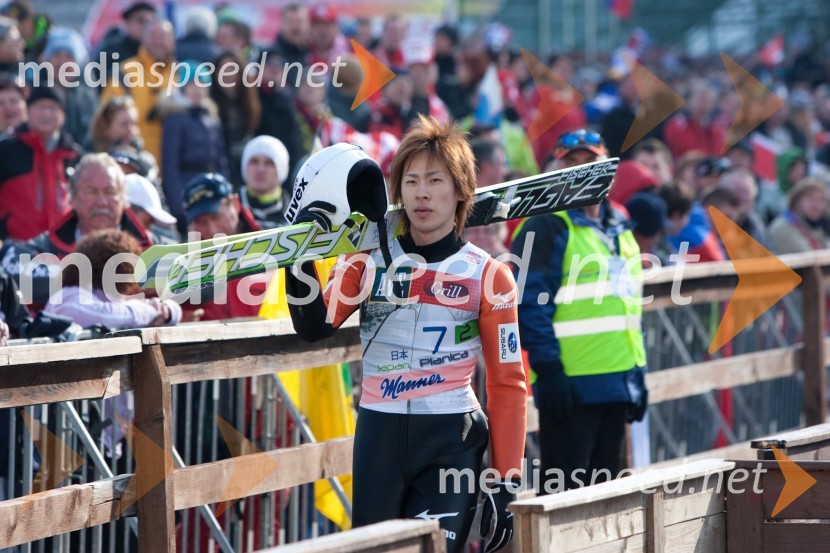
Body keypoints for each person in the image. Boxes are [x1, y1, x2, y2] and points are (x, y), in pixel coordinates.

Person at [285, 117, 527, 553]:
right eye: (411, 180)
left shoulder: (490, 276)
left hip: (450, 441)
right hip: (379, 435)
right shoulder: (369, 260)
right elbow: (313, 327)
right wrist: (297, 256)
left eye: (435, 180)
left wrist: (506, 484)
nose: (421, 192)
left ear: (460, 191)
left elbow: (508, 383)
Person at [511, 128, 648, 494]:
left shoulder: (620, 224)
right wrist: (549, 369)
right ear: (555, 171)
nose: (582, 170)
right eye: (570, 163)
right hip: (571, 387)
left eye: (591, 162)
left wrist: (637, 375)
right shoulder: (544, 225)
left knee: (606, 500)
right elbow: (529, 303)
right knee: (563, 499)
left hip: (617, 382)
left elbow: (629, 306)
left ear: (609, 169)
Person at [0, 153, 154, 306]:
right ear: (71, 197)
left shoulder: (152, 249)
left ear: (123, 199)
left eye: (109, 192)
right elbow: (11, 266)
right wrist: (89, 278)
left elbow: (175, 297)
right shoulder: (47, 246)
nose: (102, 202)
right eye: (91, 191)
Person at [0, 84, 81, 241]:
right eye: (40, 107)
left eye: (52, 108)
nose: (46, 113)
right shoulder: (7, 150)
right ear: (28, 111)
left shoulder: (74, 156)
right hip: (13, 248)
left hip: (63, 252)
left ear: (63, 115)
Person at [180, 172, 265, 321]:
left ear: (235, 204)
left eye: (216, 217)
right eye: (201, 222)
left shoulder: (277, 245)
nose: (212, 230)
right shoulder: (182, 268)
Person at [239, 135, 291, 229]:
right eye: (254, 161)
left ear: (281, 170)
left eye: (269, 163)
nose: (260, 169)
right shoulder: (229, 212)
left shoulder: (294, 215)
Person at [769, 177, 830, 254]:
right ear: (796, 201)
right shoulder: (782, 228)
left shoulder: (815, 226)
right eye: (811, 198)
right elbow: (810, 260)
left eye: (821, 199)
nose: (817, 205)